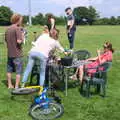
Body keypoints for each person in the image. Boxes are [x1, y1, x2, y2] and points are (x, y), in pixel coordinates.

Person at [5, 14, 24, 89]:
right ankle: (16, 86)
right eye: (21, 20)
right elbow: (19, 41)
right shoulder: (17, 29)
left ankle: (9, 85)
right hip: (17, 54)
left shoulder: (8, 29)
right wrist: (22, 36)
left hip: (9, 53)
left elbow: (6, 40)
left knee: (9, 70)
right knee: (18, 71)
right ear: (18, 20)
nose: (21, 21)